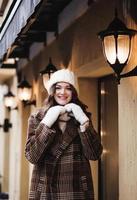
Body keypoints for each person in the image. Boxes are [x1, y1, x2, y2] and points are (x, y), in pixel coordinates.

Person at [25, 68, 103, 200]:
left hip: (76, 189)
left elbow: (94, 154)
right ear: (52, 91)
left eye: (68, 88)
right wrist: (47, 122)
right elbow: (32, 157)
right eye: (58, 87)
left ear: (74, 92)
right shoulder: (37, 118)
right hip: (45, 189)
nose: (63, 92)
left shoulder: (82, 117)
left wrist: (84, 122)